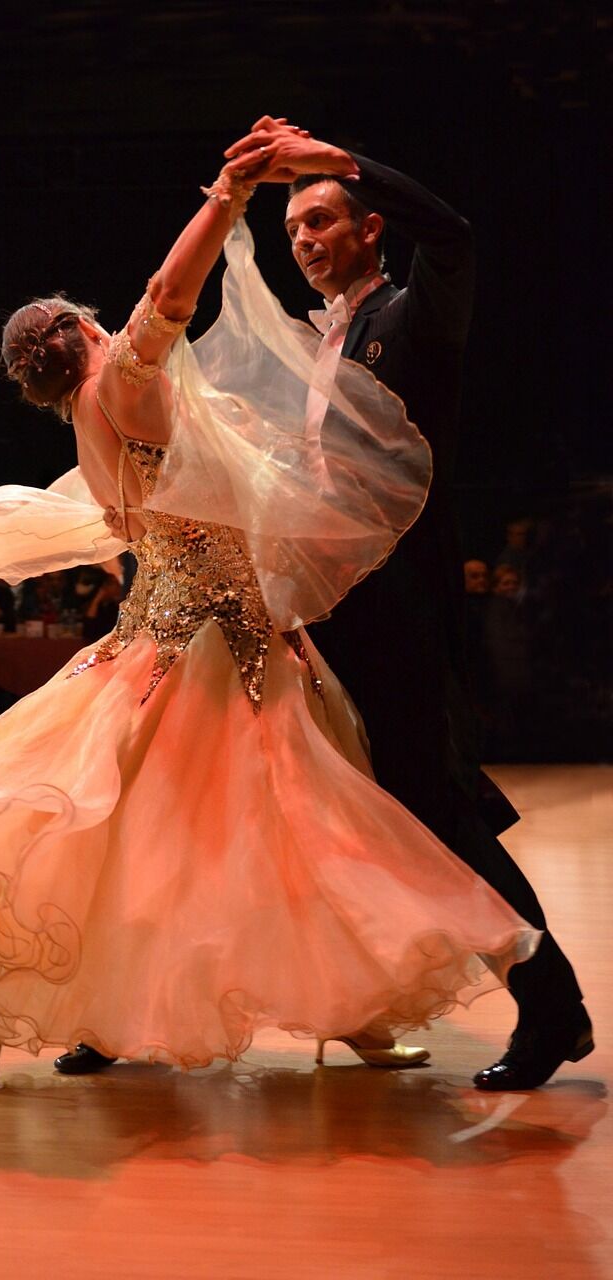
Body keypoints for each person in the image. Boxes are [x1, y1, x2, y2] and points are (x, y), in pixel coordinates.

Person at [0, 144, 540, 1088]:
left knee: (115, 846)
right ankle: (354, 1014)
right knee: (303, 834)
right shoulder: (122, 383)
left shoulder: (90, 423)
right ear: (82, 330)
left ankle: (16, 1006)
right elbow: (167, 295)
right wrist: (226, 198)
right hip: (222, 647)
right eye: (99, 321)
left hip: (144, 651)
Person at [222, 116, 591, 1089]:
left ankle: (547, 1003)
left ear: (367, 228)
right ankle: (372, 1002)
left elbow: (455, 233)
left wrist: (331, 157)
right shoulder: (320, 343)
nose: (301, 238)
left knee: (430, 807)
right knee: (362, 804)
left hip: (397, 596)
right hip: (331, 602)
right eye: (291, 226)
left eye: (320, 219)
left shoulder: (411, 314)